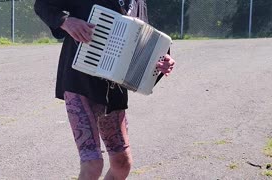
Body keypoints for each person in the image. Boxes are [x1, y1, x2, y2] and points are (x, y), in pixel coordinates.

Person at [34, 0, 175, 179]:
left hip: (114, 87)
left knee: (122, 163)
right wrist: (66, 21)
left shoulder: (138, 2)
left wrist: (163, 61)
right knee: (93, 164)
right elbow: (43, 5)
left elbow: (144, 39)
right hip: (80, 81)